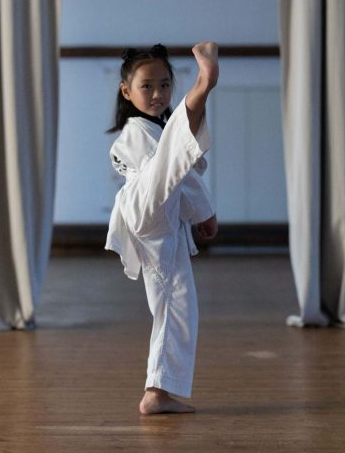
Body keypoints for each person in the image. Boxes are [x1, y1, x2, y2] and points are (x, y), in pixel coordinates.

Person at [105, 42, 219, 414]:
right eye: (147, 86)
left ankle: (158, 390)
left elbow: (179, 170)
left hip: (158, 217)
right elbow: (175, 171)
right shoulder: (137, 131)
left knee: (175, 303)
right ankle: (204, 85)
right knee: (175, 143)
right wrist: (204, 212)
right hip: (146, 206)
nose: (157, 94)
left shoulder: (156, 129)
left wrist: (200, 213)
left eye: (165, 85)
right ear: (126, 91)